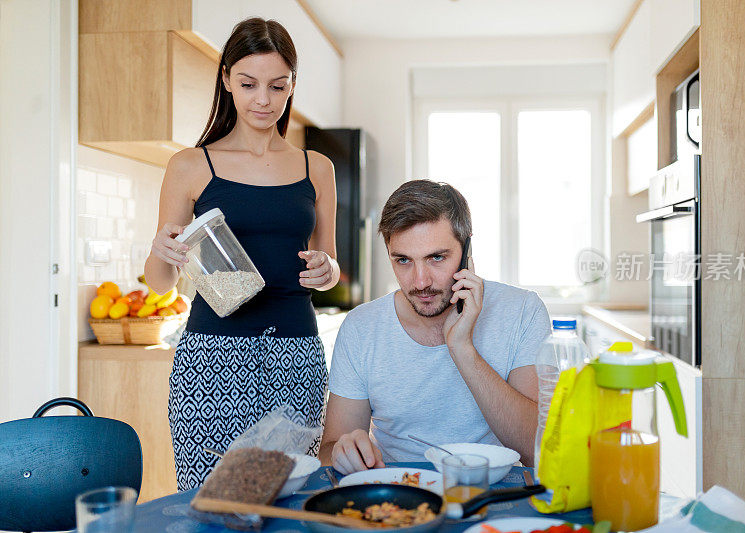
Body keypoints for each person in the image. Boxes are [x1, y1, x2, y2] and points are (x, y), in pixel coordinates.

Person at [144, 17, 339, 490]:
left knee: (287, 495)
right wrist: (162, 251)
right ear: (227, 78)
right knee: (210, 500)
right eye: (249, 84)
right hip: (211, 358)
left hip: (296, 356)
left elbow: (331, 266)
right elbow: (158, 283)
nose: (264, 100)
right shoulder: (191, 164)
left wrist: (326, 270)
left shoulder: (317, 167)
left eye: (278, 86)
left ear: (292, 85)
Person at [319, 180, 550, 473]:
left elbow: (537, 449)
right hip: (401, 497)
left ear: (466, 252)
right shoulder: (361, 328)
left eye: (437, 258)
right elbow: (329, 450)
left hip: (500, 493)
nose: (420, 282)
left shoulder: (523, 312)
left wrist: (463, 349)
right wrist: (345, 454)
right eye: (403, 260)